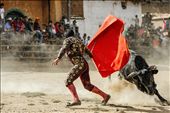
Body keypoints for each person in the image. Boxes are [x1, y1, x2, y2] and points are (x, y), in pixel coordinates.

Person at [52, 29, 110, 107]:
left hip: (79, 64)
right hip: (84, 64)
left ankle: (76, 100)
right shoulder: (79, 41)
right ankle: (105, 96)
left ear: (67, 35)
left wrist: (58, 58)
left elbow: (64, 48)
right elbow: (88, 52)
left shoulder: (68, 40)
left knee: (68, 81)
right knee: (87, 85)